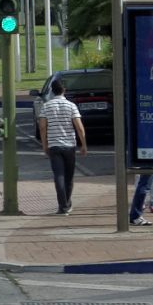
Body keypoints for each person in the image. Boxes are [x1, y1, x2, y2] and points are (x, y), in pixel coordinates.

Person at [36, 78, 85, 215]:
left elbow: (42, 127)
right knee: (69, 176)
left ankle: (62, 206)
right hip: (69, 145)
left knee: (59, 175)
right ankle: (67, 203)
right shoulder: (71, 106)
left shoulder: (46, 106)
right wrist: (83, 144)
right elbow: (79, 127)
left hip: (54, 145)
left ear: (52, 90)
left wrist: (45, 145)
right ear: (64, 90)